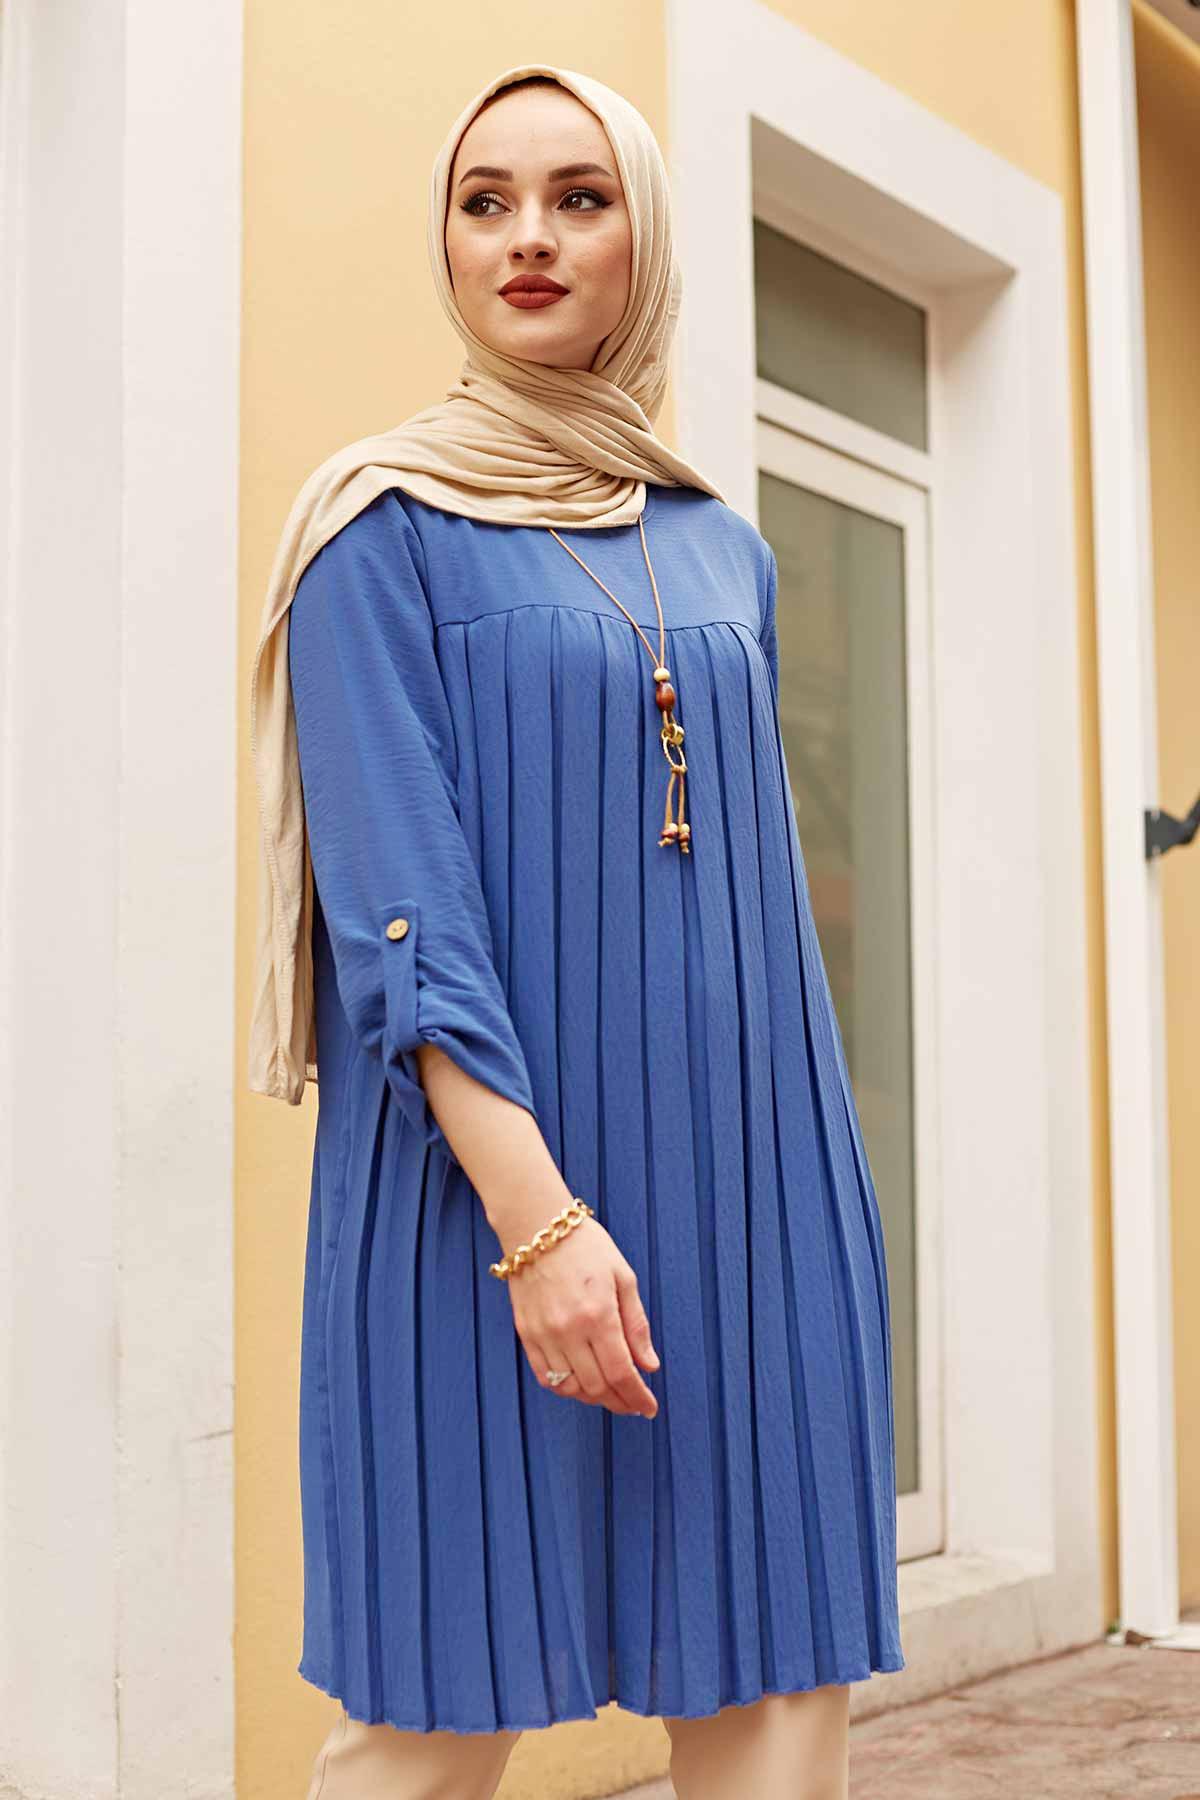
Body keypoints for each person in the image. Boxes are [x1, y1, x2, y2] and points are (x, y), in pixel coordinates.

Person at [248, 61, 905, 1800]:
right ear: (447, 246)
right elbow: (399, 916)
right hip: (474, 1198)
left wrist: (818, 1207)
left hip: (755, 1197)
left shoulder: (723, 548)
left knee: (778, 1677)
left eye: (578, 197)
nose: (526, 237)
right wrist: (539, 1228)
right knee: (430, 1703)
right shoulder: (375, 530)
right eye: (485, 203)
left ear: (646, 240)